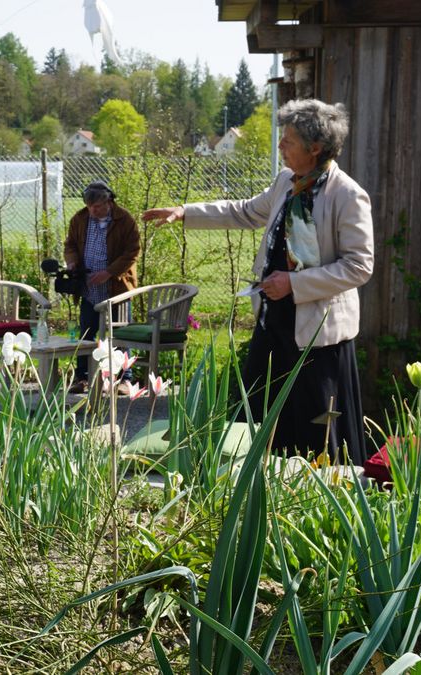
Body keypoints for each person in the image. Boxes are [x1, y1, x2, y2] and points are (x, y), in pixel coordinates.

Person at [142, 99, 373, 464]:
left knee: (316, 430)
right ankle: (270, 496)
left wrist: (295, 285)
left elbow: (359, 266)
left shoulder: (347, 195)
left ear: (315, 148)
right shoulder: (286, 181)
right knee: (265, 418)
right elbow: (245, 211)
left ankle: (318, 500)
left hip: (317, 336)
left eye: (289, 140)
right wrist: (185, 212)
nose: (280, 145)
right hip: (274, 322)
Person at [64, 181, 140, 394]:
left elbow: (133, 251)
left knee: (120, 333)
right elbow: (70, 244)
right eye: (89, 206)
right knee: (86, 333)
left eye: (96, 206)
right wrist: (71, 262)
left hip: (117, 288)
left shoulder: (124, 220)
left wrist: (108, 272)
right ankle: (83, 378)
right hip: (89, 288)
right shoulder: (80, 219)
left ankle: (125, 379)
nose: (92, 210)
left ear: (108, 201)